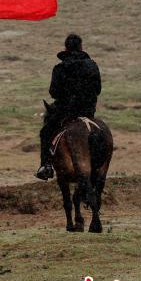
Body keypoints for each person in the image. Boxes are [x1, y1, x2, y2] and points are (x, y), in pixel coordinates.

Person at [36, 34, 102, 180]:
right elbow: (98, 89)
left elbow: (53, 92)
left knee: (45, 132)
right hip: (88, 111)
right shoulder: (92, 65)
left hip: (66, 112)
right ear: (81, 47)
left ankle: (46, 166)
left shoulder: (59, 68)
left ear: (66, 48)